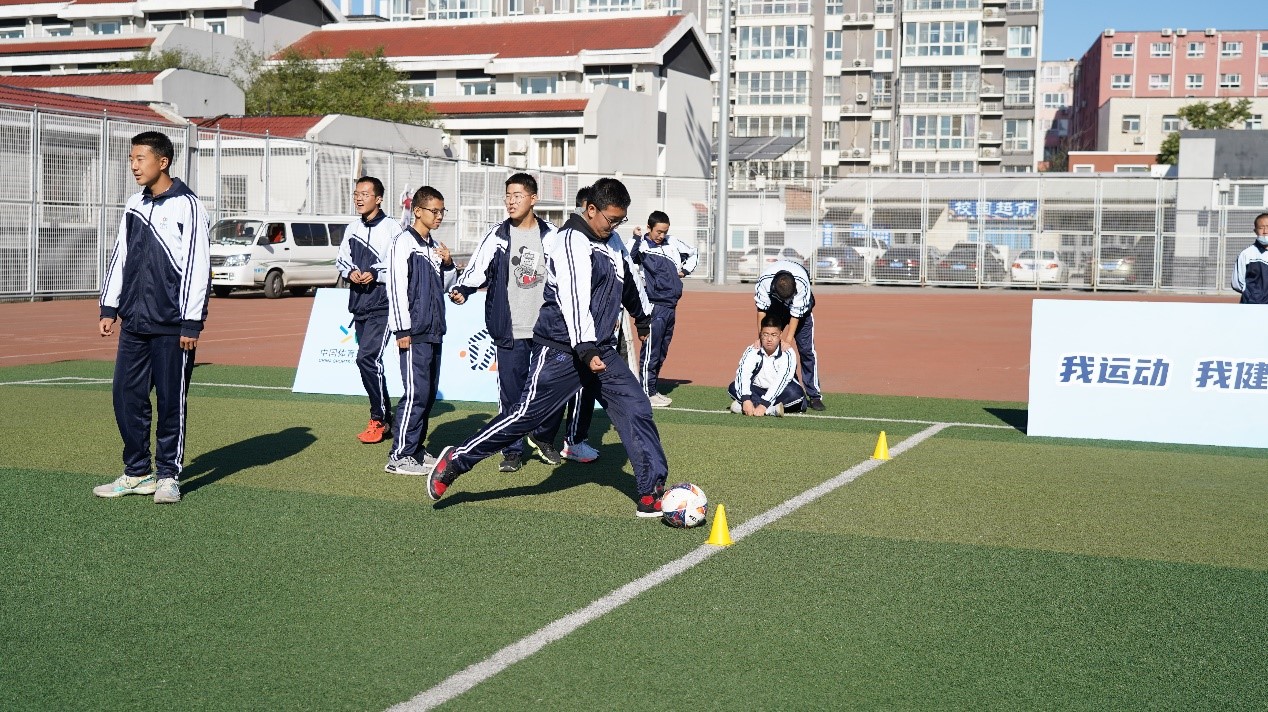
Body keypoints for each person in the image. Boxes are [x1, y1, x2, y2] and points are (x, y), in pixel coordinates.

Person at [427, 178, 671, 518]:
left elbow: (629, 280)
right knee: (524, 416)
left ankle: (651, 490)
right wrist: (585, 349)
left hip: (598, 348)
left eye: (620, 219)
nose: (616, 226)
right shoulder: (569, 240)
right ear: (591, 210)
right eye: (611, 219)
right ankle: (457, 461)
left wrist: (643, 318)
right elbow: (574, 299)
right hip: (562, 349)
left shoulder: (612, 241)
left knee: (637, 408)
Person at [93, 131, 210, 504]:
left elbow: (197, 266)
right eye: (131, 159)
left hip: (173, 326)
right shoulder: (134, 204)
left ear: (163, 162)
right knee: (126, 395)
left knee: (171, 401)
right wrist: (110, 306)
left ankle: (169, 476)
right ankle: (136, 472)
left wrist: (191, 322)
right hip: (134, 322)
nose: (133, 165)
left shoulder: (188, 206)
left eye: (140, 158)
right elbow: (121, 257)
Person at [450, 173, 564, 473]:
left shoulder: (552, 235)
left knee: (549, 388)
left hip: (546, 330)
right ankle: (512, 449)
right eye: (507, 196)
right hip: (510, 328)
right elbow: (477, 267)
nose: (510, 202)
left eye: (517, 195)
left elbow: (566, 274)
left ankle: (543, 439)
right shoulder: (497, 234)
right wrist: (464, 288)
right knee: (511, 395)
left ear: (533, 198)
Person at [384, 186, 456, 475]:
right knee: (415, 393)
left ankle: (415, 448)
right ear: (418, 211)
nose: (439, 216)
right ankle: (399, 455)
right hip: (412, 332)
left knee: (426, 394)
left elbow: (448, 287)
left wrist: (449, 263)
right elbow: (396, 288)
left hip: (434, 330)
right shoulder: (403, 243)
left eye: (442, 211)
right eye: (434, 211)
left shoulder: (433, 246)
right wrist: (402, 329)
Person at [336, 176, 399, 444]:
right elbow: (341, 259)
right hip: (359, 304)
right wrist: (351, 272)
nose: (359, 198)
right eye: (356, 194)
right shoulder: (352, 228)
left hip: (383, 306)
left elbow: (397, 263)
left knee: (367, 359)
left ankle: (379, 418)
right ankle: (385, 417)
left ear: (379, 198)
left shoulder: (393, 228)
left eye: (364, 194)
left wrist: (374, 272)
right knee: (370, 361)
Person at [632, 210, 697, 407]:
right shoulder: (641, 244)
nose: (661, 236)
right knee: (651, 350)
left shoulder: (673, 242)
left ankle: (653, 388)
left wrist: (685, 270)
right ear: (649, 228)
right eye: (658, 232)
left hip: (671, 305)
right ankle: (645, 392)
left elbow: (694, 252)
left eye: (665, 232)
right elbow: (628, 258)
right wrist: (635, 238)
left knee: (661, 351)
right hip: (654, 305)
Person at [754, 259, 825, 411]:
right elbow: (761, 311)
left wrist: (787, 340)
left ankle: (814, 395)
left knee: (807, 351)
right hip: (775, 307)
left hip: (801, 313)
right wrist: (762, 336)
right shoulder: (764, 282)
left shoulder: (802, 285)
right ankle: (791, 388)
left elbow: (795, 316)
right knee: (771, 345)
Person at [729, 315, 806, 417]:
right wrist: (746, 399)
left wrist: (764, 405)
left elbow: (781, 381)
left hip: (781, 391)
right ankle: (769, 409)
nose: (769, 339)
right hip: (757, 390)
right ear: (760, 334)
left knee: (795, 394)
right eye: (765, 334)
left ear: (780, 335)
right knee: (734, 387)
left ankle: (751, 408)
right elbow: (743, 374)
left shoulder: (788, 353)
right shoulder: (752, 350)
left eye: (774, 335)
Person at [1231, 212, 1268, 304]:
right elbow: (1237, 283)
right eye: (1261, 227)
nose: (1265, 231)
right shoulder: (1246, 254)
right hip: (1251, 306)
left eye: (1267, 226)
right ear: (1255, 231)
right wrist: (1254, 297)